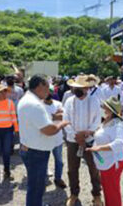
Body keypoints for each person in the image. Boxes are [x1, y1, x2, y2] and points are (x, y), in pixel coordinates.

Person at [18, 74, 69, 206]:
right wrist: (62, 124)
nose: (49, 92)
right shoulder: (35, 104)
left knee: (36, 185)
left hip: (31, 148)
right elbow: (48, 130)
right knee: (36, 187)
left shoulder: (27, 99)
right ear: (40, 85)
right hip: (36, 152)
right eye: (47, 88)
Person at [64, 75, 102, 206]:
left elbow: (97, 121)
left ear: (87, 88)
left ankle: (96, 194)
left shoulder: (94, 101)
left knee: (94, 168)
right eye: (75, 87)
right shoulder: (69, 101)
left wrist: (86, 134)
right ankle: (74, 193)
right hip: (72, 140)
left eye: (80, 88)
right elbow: (66, 120)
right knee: (72, 169)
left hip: (90, 140)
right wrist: (76, 135)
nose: (76, 90)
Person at [86, 97, 123, 206]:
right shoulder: (106, 121)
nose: (102, 108)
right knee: (108, 190)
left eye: (104, 107)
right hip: (104, 162)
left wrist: (99, 148)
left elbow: (119, 143)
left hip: (112, 163)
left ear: (111, 110)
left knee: (112, 192)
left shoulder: (118, 124)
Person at [43, 85, 67, 189]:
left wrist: (51, 116)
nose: (47, 93)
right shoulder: (39, 106)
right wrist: (55, 116)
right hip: (44, 137)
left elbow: (64, 116)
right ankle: (43, 179)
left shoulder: (58, 104)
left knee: (59, 161)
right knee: (43, 160)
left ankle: (58, 178)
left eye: (49, 92)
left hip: (57, 138)